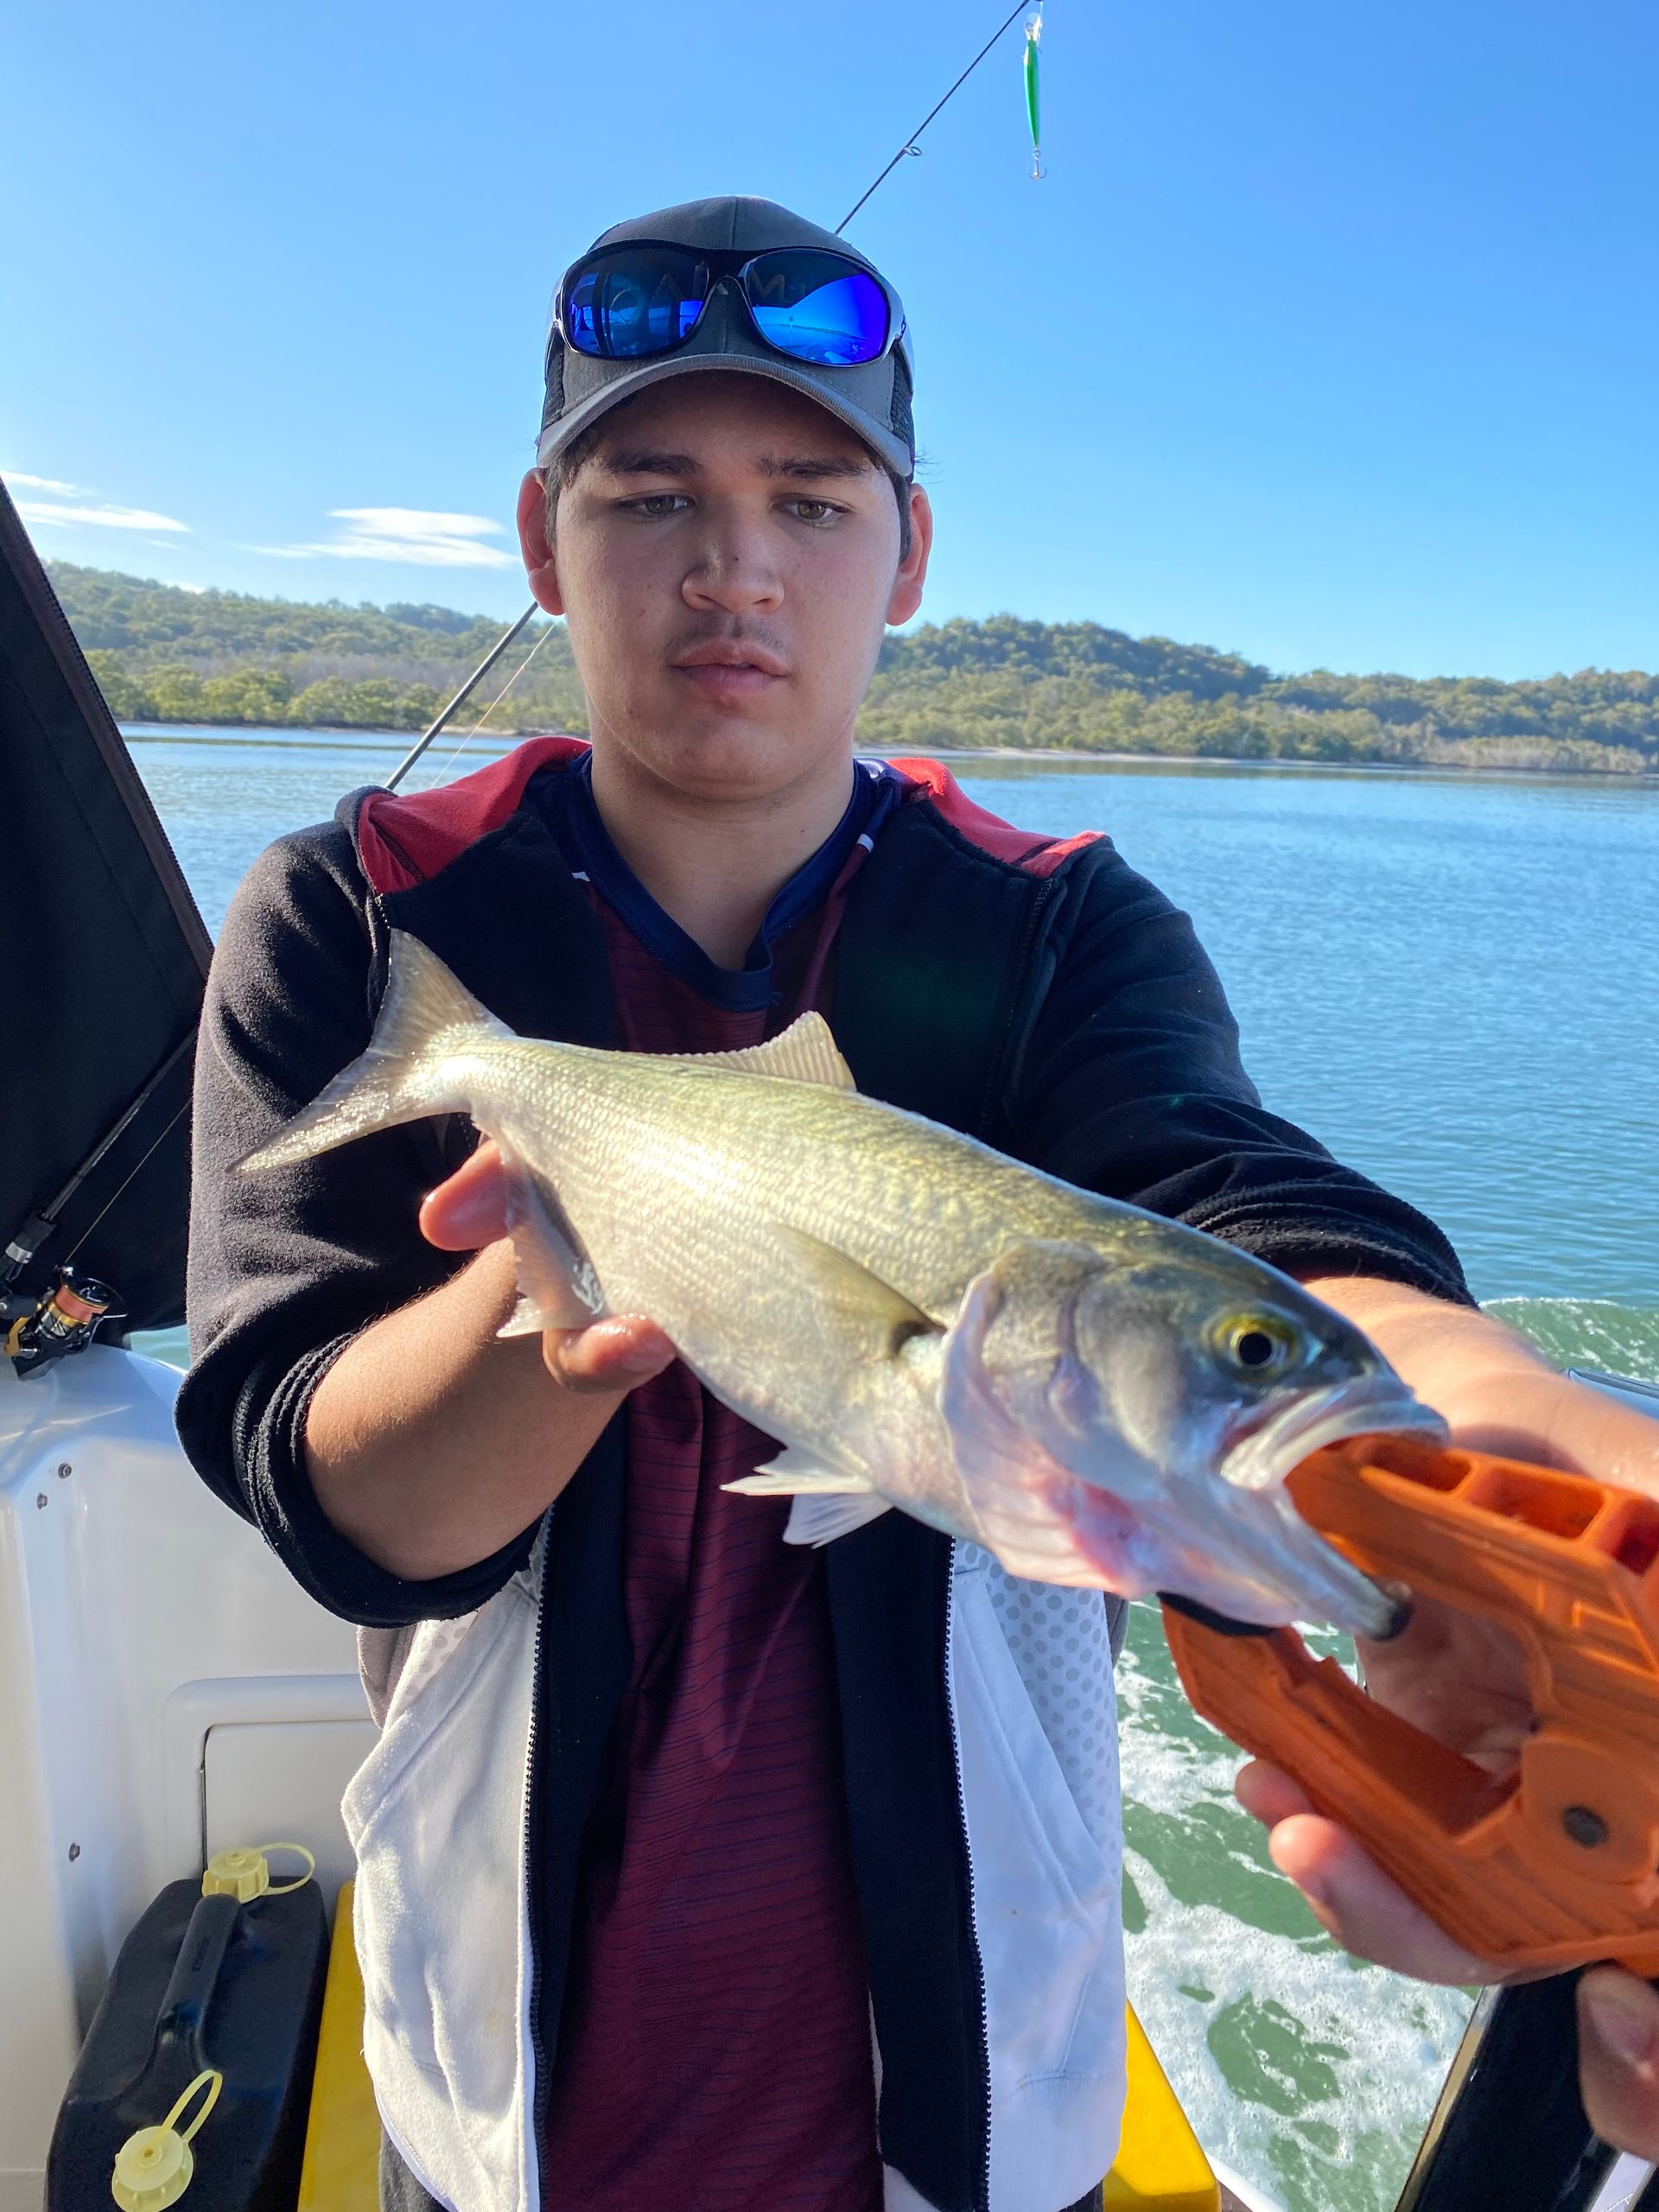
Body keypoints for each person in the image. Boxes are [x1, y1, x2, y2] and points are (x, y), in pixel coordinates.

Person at [177, 195, 1659, 2212]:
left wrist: (1497, 1451)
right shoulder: (356, 914)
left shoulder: (1054, 928)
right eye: (647, 498)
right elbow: (332, 1504)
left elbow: (1223, 1188)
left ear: (910, 555)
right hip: (503, 2065)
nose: (733, 567)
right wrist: (567, 1293)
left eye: (810, 498)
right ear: (542, 544)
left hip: (963, 2081)